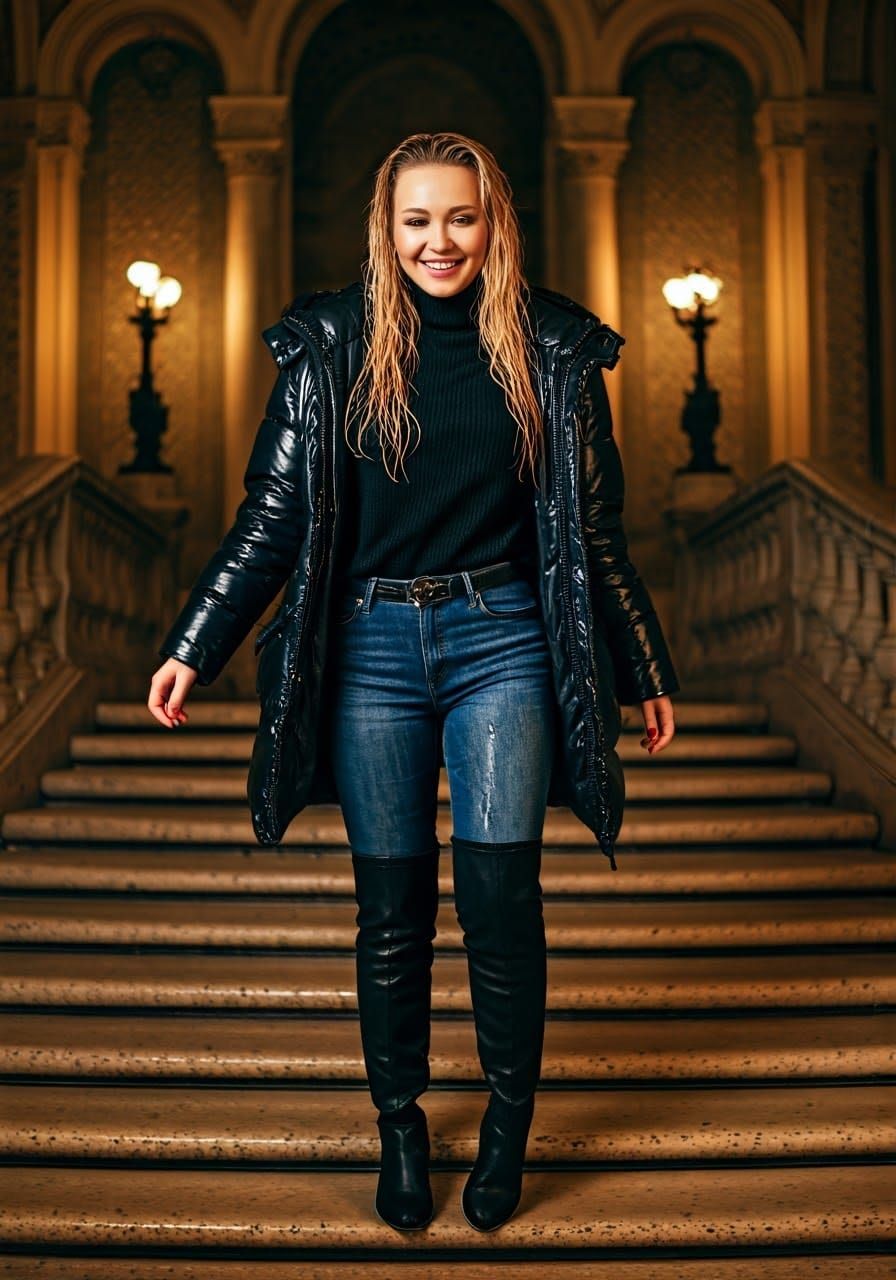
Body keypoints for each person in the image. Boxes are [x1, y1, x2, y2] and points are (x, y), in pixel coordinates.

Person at [149, 131, 679, 1235]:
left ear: (493, 225)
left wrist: (642, 664)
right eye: (417, 220)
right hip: (369, 653)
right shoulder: (329, 345)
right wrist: (195, 641)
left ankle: (505, 1127)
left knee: (499, 902)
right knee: (391, 913)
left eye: (461, 217)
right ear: (386, 230)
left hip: (503, 641)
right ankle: (400, 1128)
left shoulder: (553, 350)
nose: (440, 241)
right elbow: (272, 517)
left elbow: (593, 530)